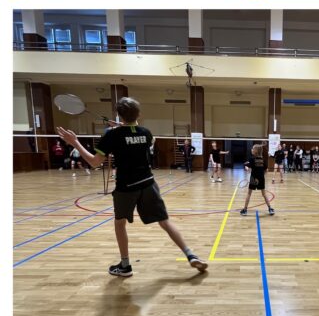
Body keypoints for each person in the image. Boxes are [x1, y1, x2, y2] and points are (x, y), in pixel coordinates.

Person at [55, 96, 208, 276]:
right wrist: (124, 127)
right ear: (139, 114)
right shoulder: (146, 133)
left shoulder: (112, 135)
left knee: (120, 224)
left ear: (120, 115)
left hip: (126, 187)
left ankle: (125, 265)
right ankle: (190, 255)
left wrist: (75, 142)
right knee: (164, 221)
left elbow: (95, 162)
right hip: (148, 183)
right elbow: (136, 137)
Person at [240, 142, 275, 215]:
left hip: (253, 178)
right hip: (261, 178)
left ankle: (245, 210)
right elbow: (266, 170)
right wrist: (261, 175)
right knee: (264, 194)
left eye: (253, 148)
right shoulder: (263, 160)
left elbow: (248, 168)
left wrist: (246, 167)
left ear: (256, 151)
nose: (251, 149)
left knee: (249, 193)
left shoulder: (251, 159)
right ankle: (270, 208)